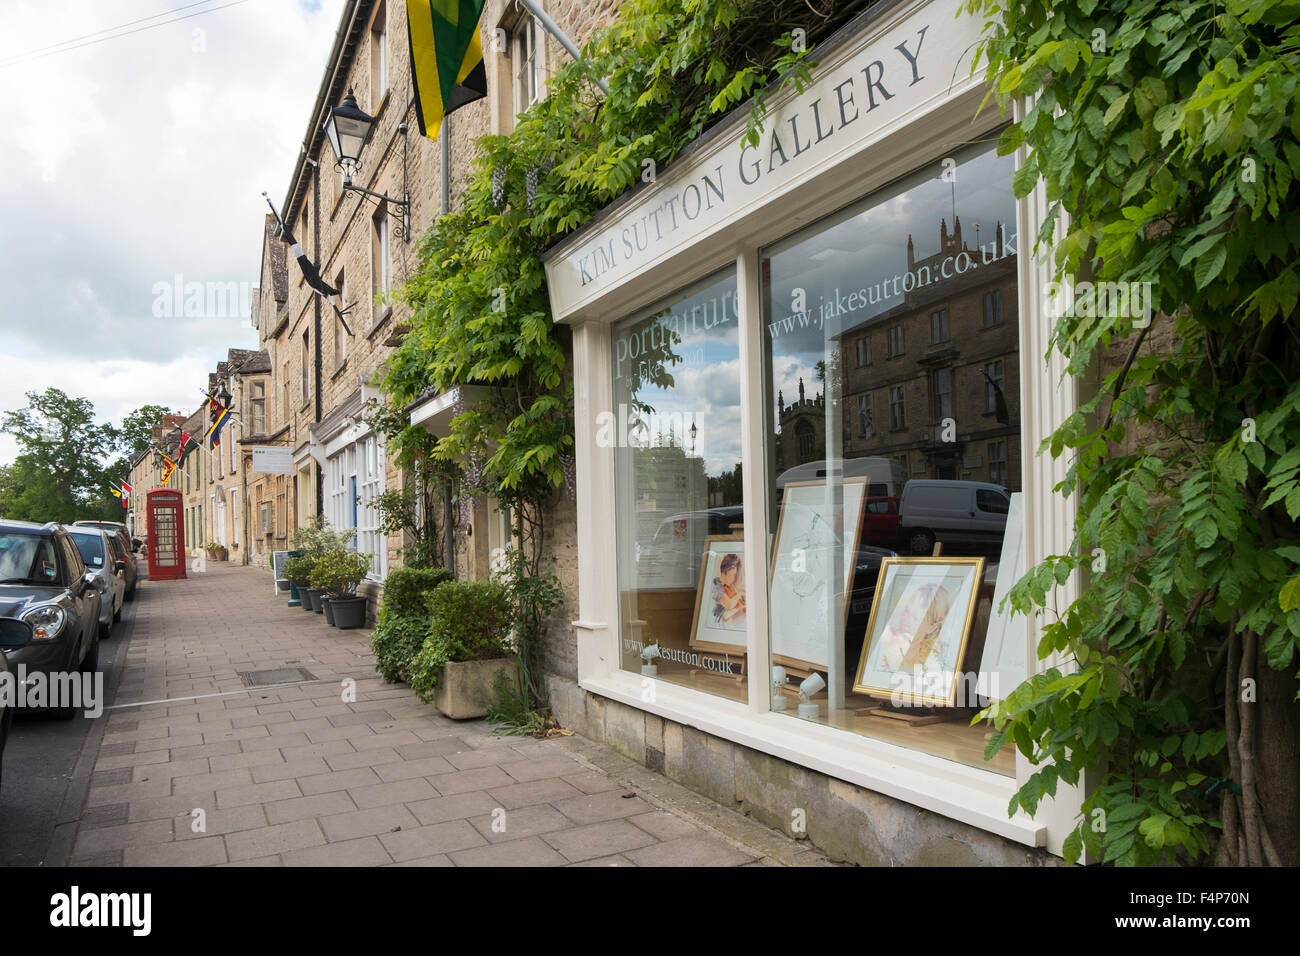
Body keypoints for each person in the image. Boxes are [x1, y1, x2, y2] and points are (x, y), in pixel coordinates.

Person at [711, 553, 746, 625]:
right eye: (733, 575)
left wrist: (739, 607)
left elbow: (724, 615)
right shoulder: (715, 587)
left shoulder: (724, 587)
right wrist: (739, 594)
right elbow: (729, 604)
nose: (733, 579)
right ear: (728, 570)